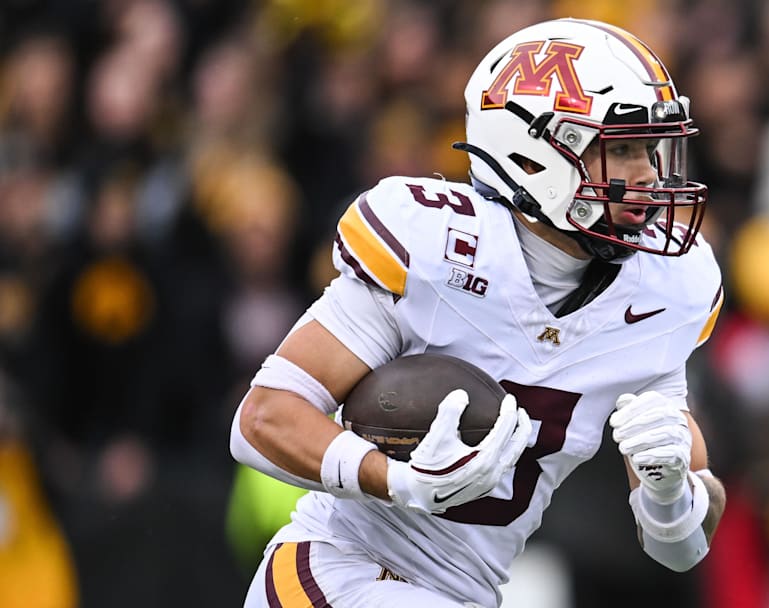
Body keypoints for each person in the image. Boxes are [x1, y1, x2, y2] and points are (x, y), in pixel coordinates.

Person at [230, 18, 727, 607]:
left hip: (466, 594)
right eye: (620, 149)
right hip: (339, 569)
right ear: (538, 156)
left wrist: (671, 493)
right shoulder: (437, 246)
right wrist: (397, 481)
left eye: (651, 149)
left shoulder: (665, 290)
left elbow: (680, 549)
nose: (648, 176)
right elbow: (262, 420)